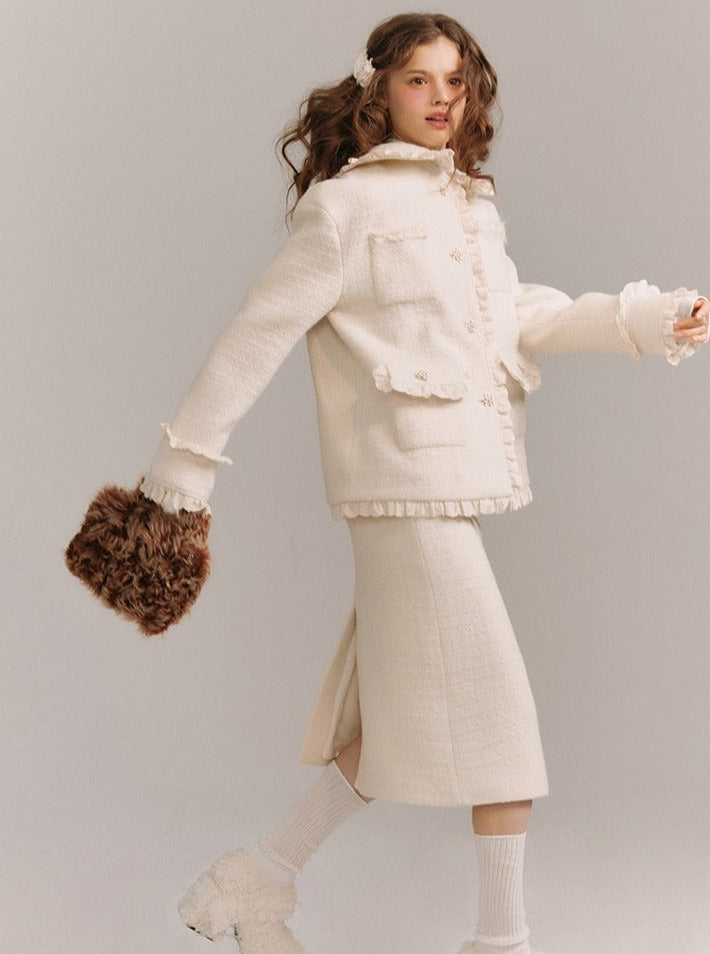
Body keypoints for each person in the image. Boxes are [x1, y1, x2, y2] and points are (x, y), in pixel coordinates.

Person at [65, 12, 709, 954]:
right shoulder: (345, 210)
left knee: (397, 725)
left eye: (456, 80)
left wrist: (647, 319)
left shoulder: (470, 205)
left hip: (449, 490)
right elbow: (256, 335)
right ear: (380, 91)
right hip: (399, 495)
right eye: (419, 80)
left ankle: (254, 882)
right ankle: (501, 942)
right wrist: (180, 473)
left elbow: (516, 317)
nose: (443, 98)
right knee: (503, 728)